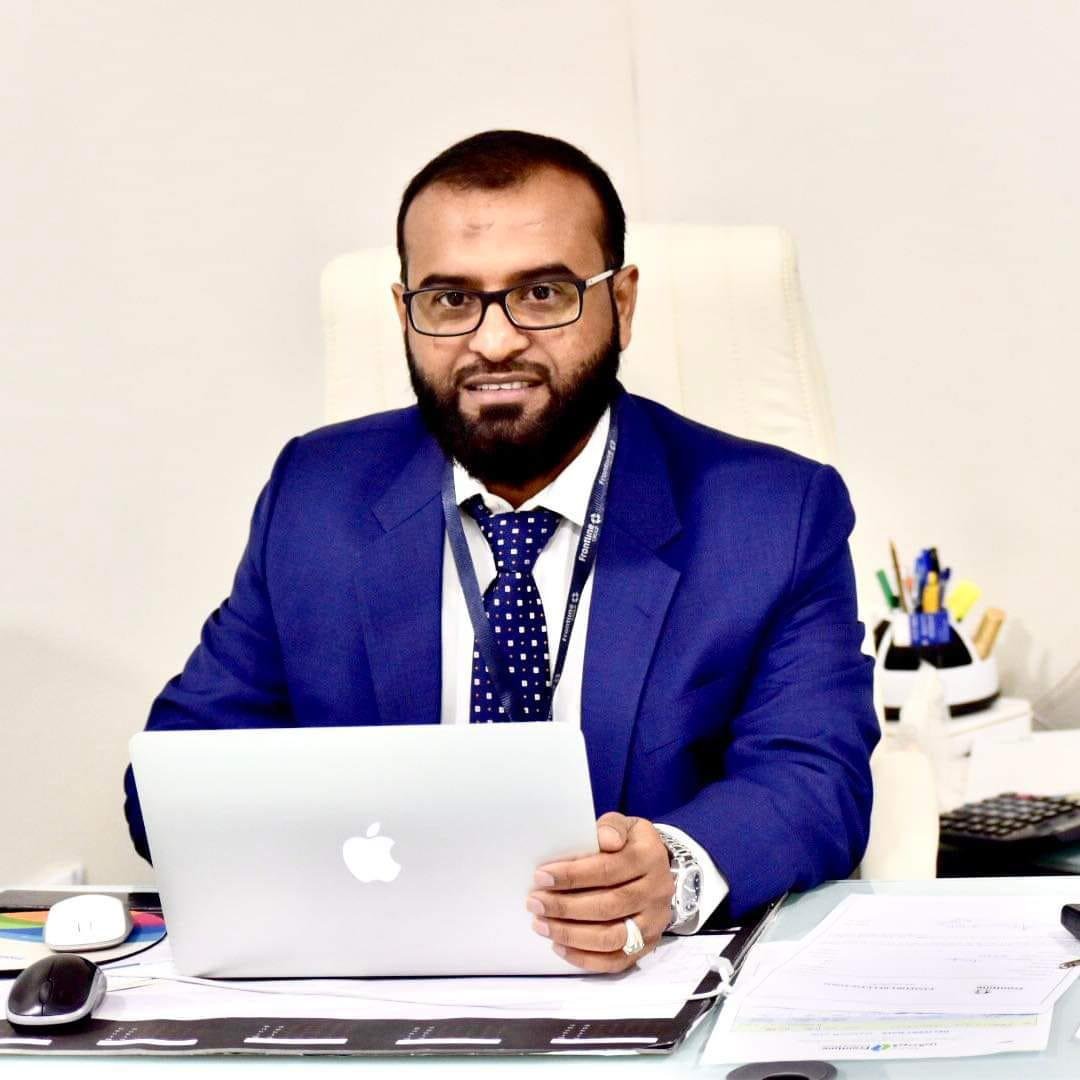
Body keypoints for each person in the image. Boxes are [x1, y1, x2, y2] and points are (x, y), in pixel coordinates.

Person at [123, 130, 879, 973]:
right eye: (450, 300)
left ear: (622, 303)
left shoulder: (773, 514)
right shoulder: (316, 496)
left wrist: (673, 871)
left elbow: (816, 781)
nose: (493, 342)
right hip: (370, 984)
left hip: (635, 983)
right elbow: (169, 783)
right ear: (404, 312)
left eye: (543, 293)